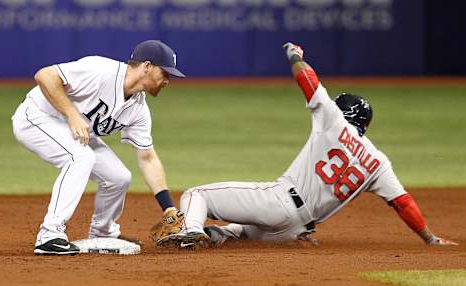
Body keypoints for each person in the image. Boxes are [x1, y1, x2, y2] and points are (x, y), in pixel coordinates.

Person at [153, 42, 458, 249]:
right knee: (243, 230)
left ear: (345, 113)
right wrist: (429, 239)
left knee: (196, 195)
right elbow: (404, 204)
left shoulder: (334, 122)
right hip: (296, 230)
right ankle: (217, 235)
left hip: (280, 202)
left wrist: (295, 55)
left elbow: (309, 81)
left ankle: (191, 232)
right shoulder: (378, 162)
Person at [12, 40, 186, 255]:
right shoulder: (101, 70)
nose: (168, 80)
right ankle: (49, 234)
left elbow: (148, 158)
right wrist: (72, 114)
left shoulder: (138, 110)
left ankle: (102, 233)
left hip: (73, 130)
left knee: (118, 177)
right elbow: (44, 75)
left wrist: (167, 206)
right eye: (165, 73)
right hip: (36, 117)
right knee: (81, 157)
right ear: (147, 66)